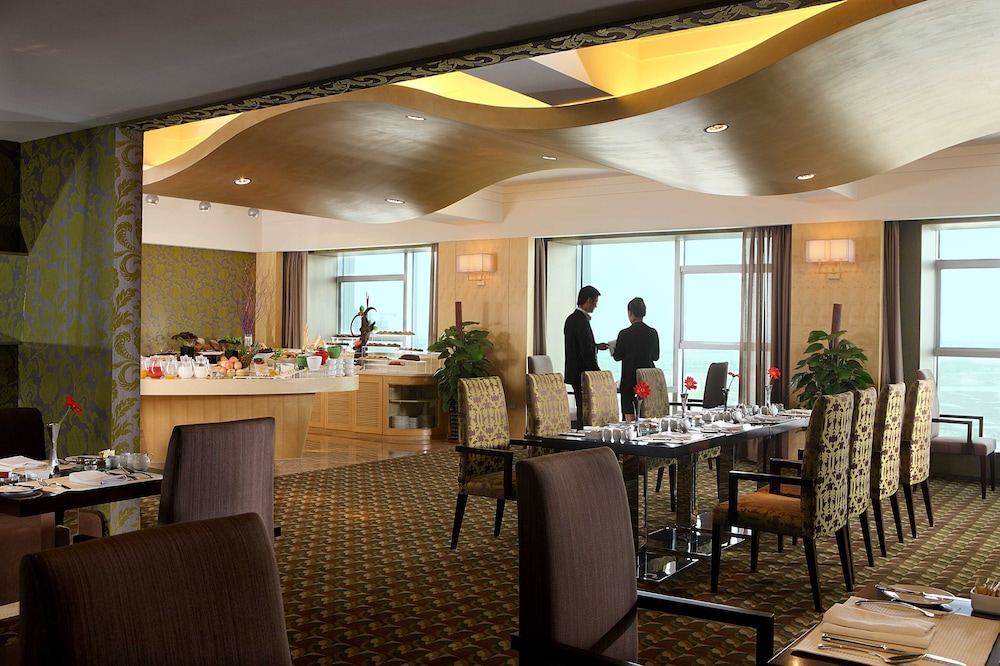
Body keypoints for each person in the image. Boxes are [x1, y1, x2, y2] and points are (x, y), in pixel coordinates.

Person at [564, 285, 608, 428]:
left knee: (581, 406)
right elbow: (585, 352)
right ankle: (583, 434)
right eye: (595, 302)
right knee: (585, 409)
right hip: (582, 372)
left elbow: (578, 345)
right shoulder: (581, 321)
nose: (596, 306)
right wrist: (598, 374)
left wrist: (595, 346)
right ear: (588, 301)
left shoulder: (571, 319)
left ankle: (581, 432)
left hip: (574, 371)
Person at [612, 297, 659, 422]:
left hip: (629, 380)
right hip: (646, 381)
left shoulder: (624, 334)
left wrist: (614, 349)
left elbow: (617, 356)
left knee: (630, 417)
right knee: (646, 416)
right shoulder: (653, 333)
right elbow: (656, 356)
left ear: (630, 313)